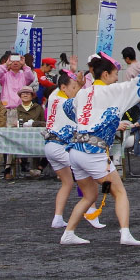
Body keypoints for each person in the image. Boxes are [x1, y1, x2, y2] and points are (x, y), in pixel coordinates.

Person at [59, 51, 140, 245]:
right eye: (114, 75)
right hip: (93, 152)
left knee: (89, 195)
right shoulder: (112, 91)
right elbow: (139, 85)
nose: (116, 79)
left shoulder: (84, 92)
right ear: (105, 75)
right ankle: (125, 234)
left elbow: (69, 109)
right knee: (120, 192)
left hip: (76, 151)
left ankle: (68, 233)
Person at [43, 69, 107, 230]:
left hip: (50, 147)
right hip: (59, 146)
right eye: (73, 87)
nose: (76, 90)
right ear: (63, 87)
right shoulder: (65, 103)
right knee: (88, 176)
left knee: (67, 182)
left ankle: (57, 217)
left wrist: (74, 76)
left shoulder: (53, 97)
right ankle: (91, 213)